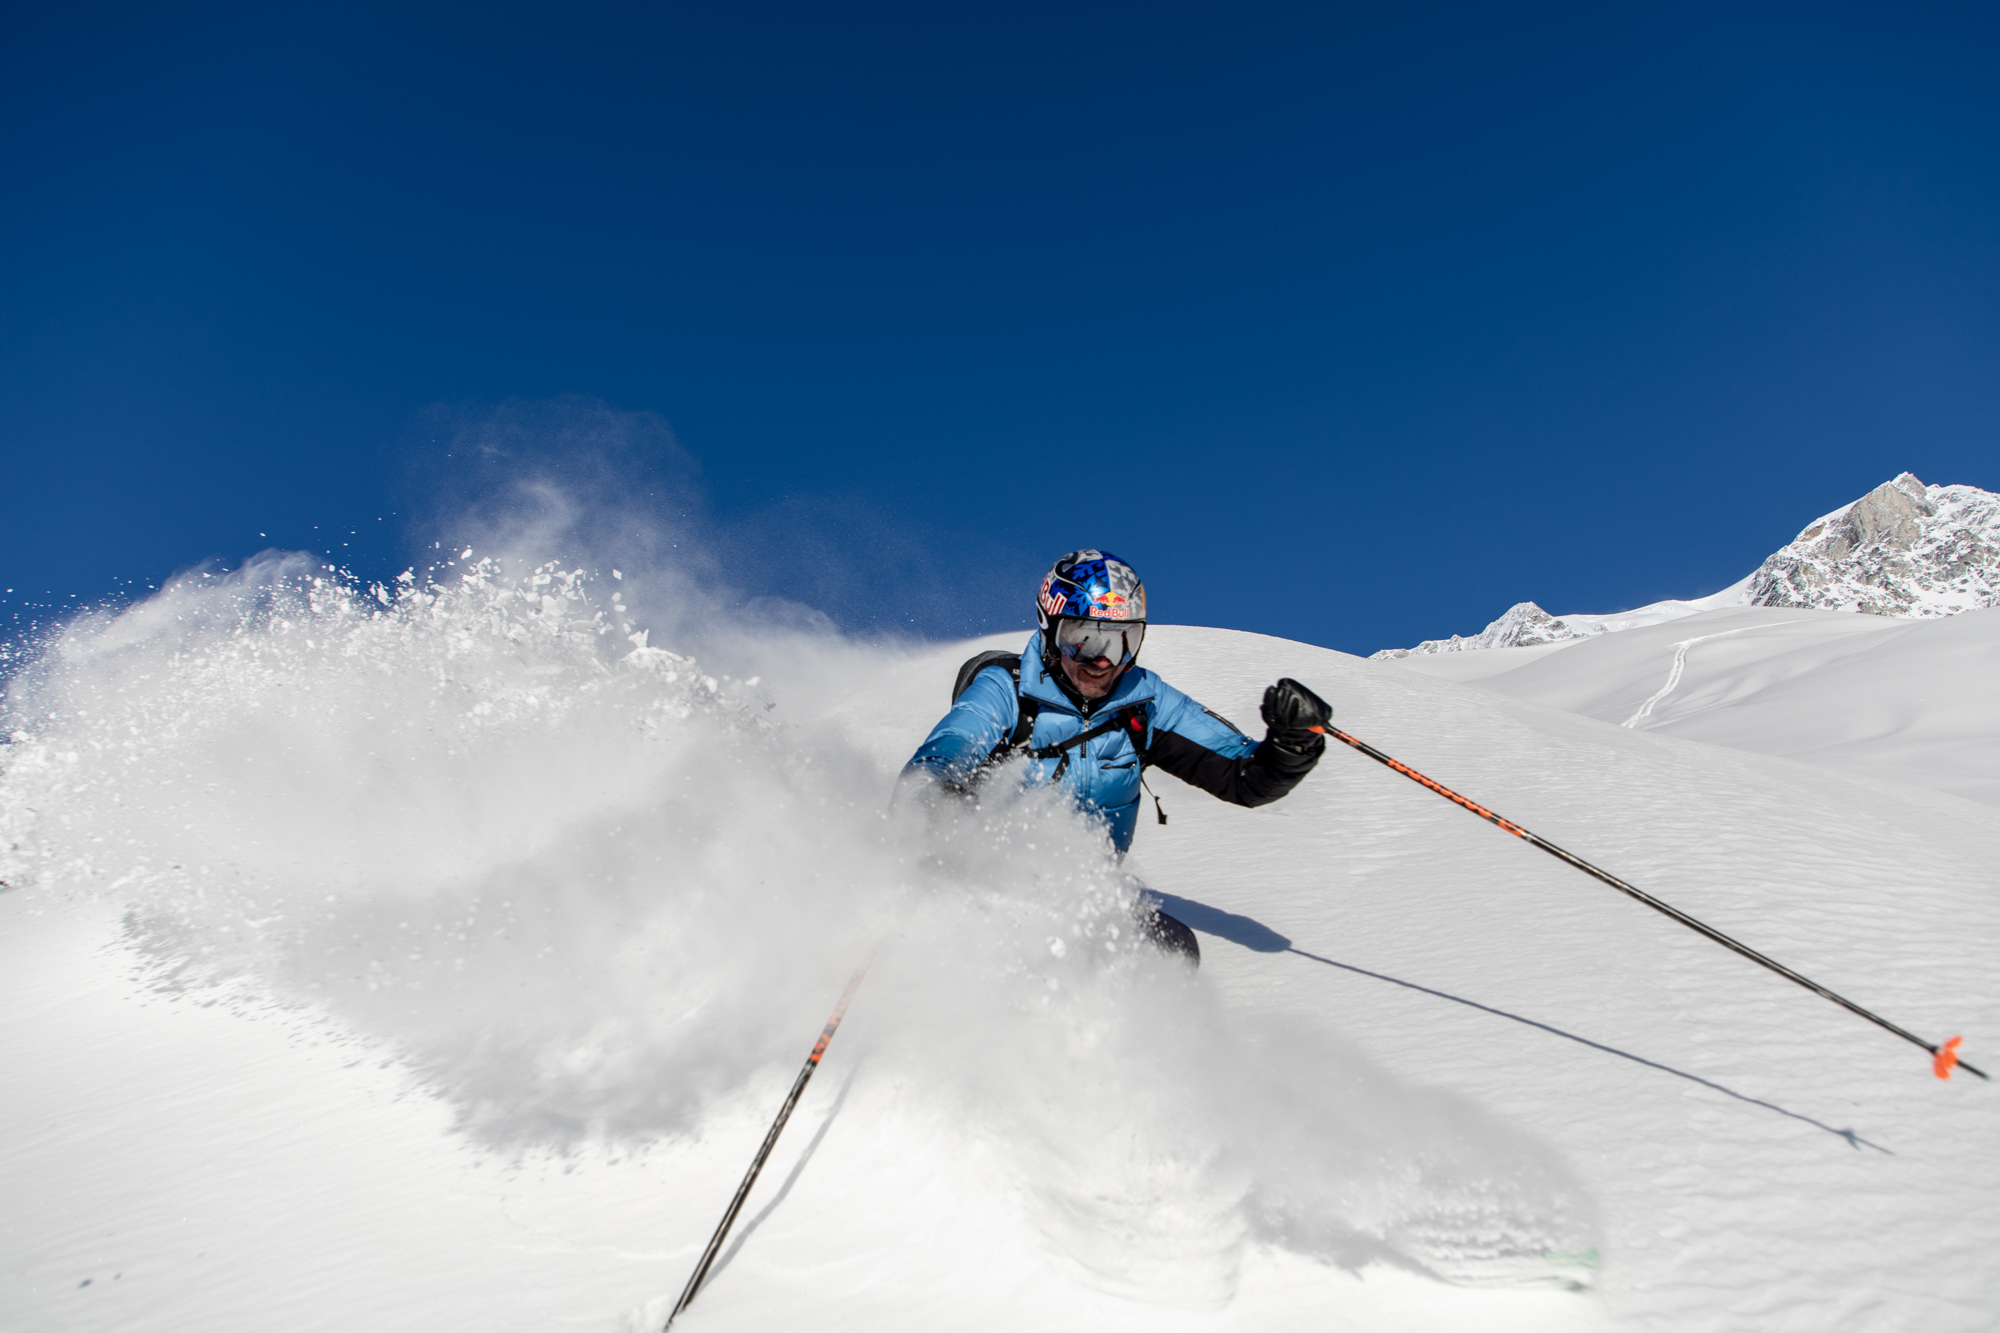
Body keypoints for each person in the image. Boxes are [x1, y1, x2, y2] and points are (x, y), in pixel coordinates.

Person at [902, 549, 1332, 966]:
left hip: (1082, 900)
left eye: (1124, 640)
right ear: (1051, 630)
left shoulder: (1143, 702)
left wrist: (1291, 745)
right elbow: (944, 753)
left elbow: (1245, 777)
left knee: (1173, 952)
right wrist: (933, 803)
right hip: (983, 885)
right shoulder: (1007, 692)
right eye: (1083, 640)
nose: (1104, 660)